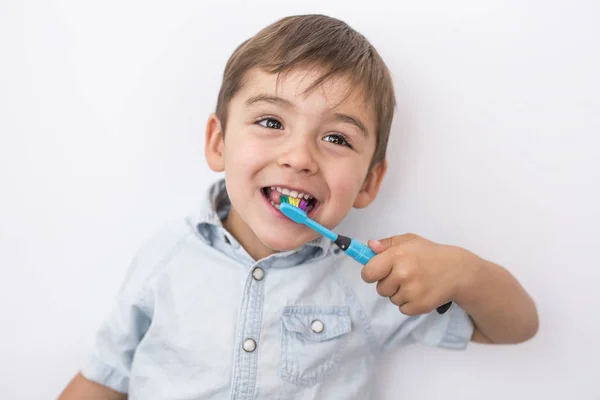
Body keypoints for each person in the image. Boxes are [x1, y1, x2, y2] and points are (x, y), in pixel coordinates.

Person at [59, 14, 538, 400]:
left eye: (336, 137)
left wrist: (463, 271)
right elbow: (103, 380)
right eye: (271, 121)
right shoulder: (164, 257)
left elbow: (514, 329)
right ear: (219, 142)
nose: (300, 157)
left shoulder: (374, 282)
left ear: (369, 181)